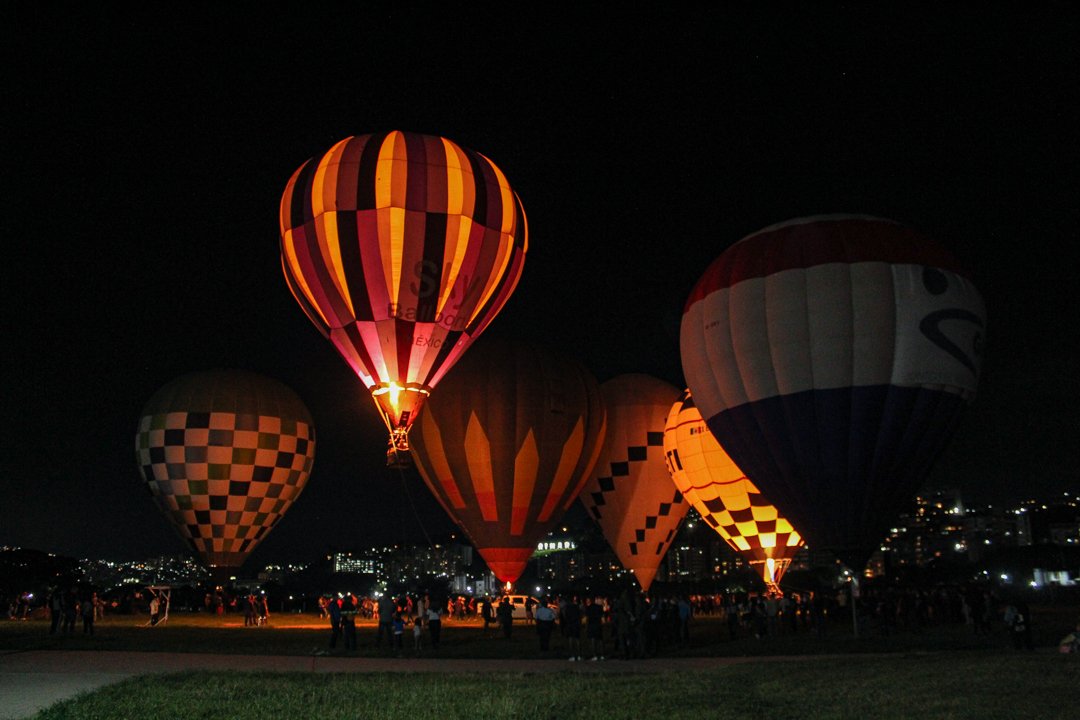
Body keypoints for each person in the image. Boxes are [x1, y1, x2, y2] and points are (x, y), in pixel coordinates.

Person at [561, 595, 582, 660]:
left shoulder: (566, 607)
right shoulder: (576, 606)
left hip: (569, 624)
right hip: (576, 624)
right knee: (577, 639)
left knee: (570, 639)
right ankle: (579, 655)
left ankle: (572, 655)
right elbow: (580, 615)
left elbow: (564, 616)